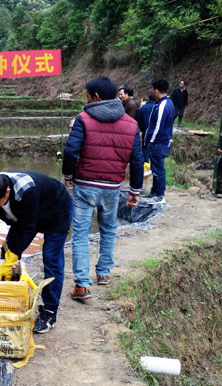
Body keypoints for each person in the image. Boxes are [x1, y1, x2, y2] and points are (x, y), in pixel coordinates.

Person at [63, 76, 143, 300]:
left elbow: (70, 151)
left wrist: (68, 175)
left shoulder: (84, 118)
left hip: (85, 185)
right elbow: (137, 160)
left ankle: (82, 285)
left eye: (87, 96)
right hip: (112, 187)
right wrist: (135, 190)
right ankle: (104, 273)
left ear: (96, 96)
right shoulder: (131, 123)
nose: (86, 100)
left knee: (80, 235)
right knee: (108, 229)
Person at [0, 171, 71, 333]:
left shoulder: (27, 191)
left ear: (7, 192)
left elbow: (28, 228)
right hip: (24, 216)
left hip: (55, 210)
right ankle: (5, 301)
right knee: (6, 254)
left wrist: (12, 259)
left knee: (51, 259)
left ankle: (49, 312)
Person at [143, 79, 175, 205]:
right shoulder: (164, 102)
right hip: (159, 141)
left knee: (159, 169)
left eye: (153, 90)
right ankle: (154, 192)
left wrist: (150, 140)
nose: (152, 92)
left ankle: (160, 194)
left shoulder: (164, 104)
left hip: (159, 142)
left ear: (156, 90)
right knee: (156, 168)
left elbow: (158, 125)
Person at [136, 95, 156, 162]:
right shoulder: (158, 107)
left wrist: (142, 128)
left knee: (145, 147)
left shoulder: (143, 108)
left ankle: (146, 163)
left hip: (146, 131)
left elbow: (139, 119)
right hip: (156, 131)